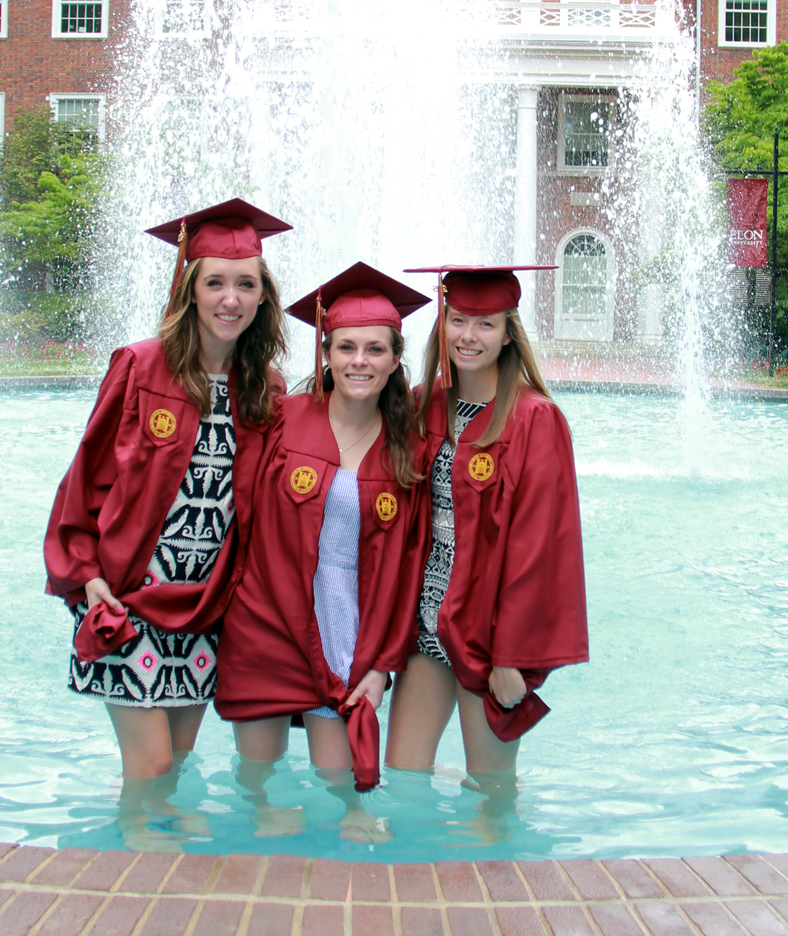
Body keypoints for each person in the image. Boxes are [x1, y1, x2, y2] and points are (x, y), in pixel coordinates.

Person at [43, 198, 290, 783]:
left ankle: (159, 873)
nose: (230, 299)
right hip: (128, 598)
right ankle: (135, 869)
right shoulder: (140, 367)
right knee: (151, 767)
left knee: (176, 765)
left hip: (205, 607)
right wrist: (85, 574)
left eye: (244, 284)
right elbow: (85, 477)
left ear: (262, 295)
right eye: (215, 283)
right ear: (190, 288)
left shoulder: (266, 389)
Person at [215, 263, 430, 799]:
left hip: (346, 643)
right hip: (267, 623)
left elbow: (408, 567)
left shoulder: (408, 447)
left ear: (396, 359)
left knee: (344, 798)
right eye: (346, 347)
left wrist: (382, 667)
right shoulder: (280, 418)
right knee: (261, 794)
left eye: (376, 349)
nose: (360, 361)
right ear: (327, 354)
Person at [385, 264, 587, 779]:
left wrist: (511, 656)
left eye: (485, 324)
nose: (468, 336)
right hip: (426, 624)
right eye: (457, 320)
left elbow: (537, 547)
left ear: (507, 334)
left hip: (487, 635)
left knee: (490, 791)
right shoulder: (423, 404)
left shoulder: (534, 419)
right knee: (403, 777)